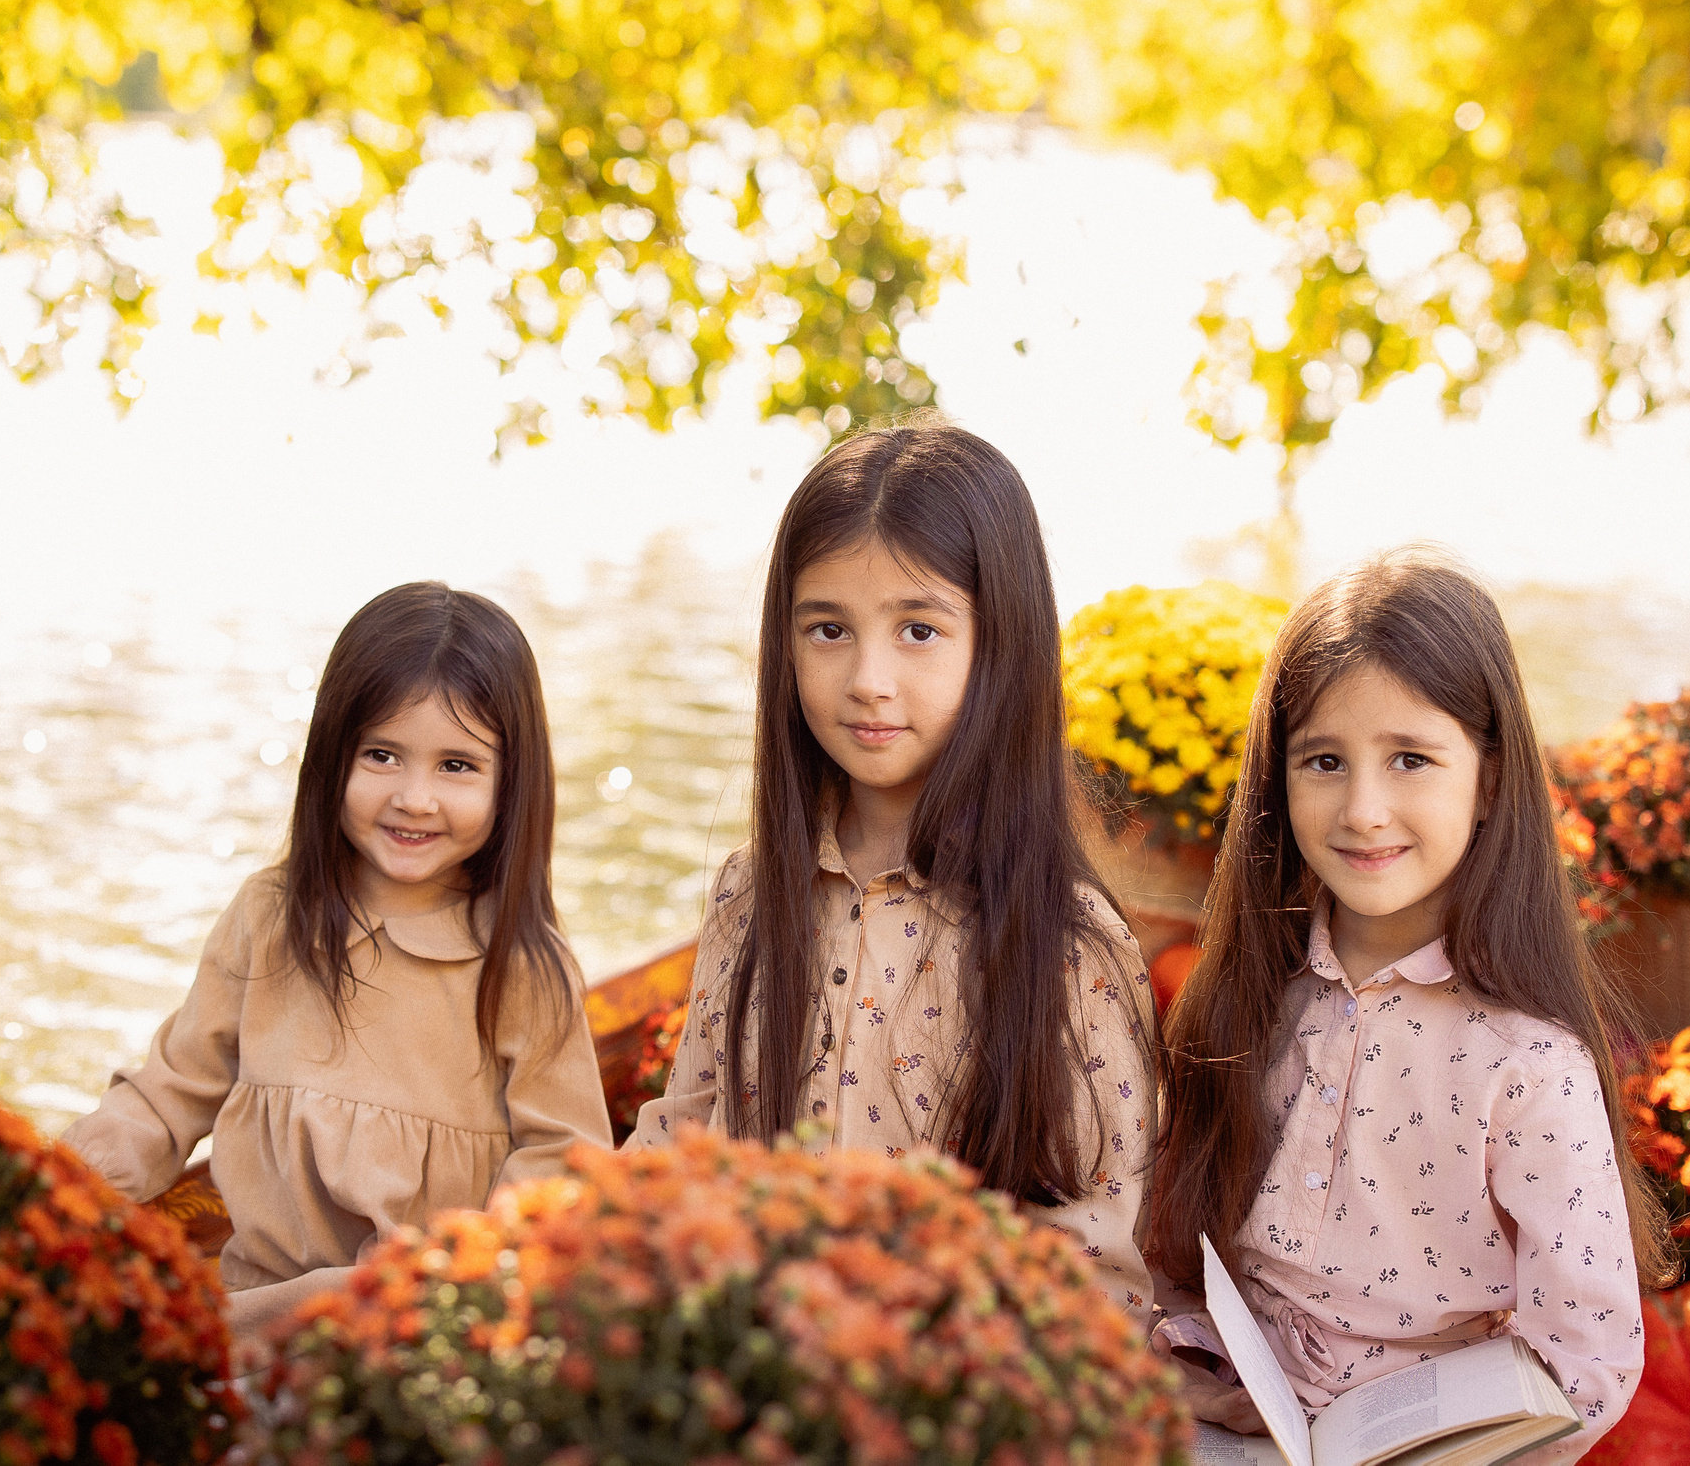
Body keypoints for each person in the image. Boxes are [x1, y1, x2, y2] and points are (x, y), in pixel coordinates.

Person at [626, 413, 1157, 1312]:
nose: (869, 677)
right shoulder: (752, 894)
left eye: (919, 629)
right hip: (748, 1355)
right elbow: (685, 1134)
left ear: (1002, 644)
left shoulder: (1067, 943)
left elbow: (1092, 1257)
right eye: (828, 629)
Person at [1148, 547, 1670, 1460]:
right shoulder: (1247, 994)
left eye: (1411, 759)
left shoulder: (1529, 1060)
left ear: (1491, 780)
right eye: (1324, 760)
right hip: (1229, 1418)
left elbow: (1586, 1364)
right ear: (1279, 778)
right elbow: (1173, 1243)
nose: (1364, 808)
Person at [64, 582, 610, 1338]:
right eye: (382, 754)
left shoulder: (520, 967)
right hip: (251, 1317)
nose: (415, 798)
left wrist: (452, 1283)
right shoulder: (269, 916)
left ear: (510, 781)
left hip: (414, 1332)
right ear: (333, 757)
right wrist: (58, 1191)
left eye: (457, 765)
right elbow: (167, 1096)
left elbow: (562, 1163)